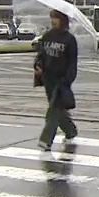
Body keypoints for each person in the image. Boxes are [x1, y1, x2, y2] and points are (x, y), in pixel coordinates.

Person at [35, 9, 79, 150]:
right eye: (52, 17)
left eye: (56, 18)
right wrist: (38, 66)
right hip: (48, 79)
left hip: (62, 81)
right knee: (58, 110)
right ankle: (70, 131)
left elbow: (72, 64)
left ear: (63, 20)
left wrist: (67, 81)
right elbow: (40, 56)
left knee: (53, 111)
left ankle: (46, 140)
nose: (53, 21)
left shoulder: (69, 40)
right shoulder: (47, 36)